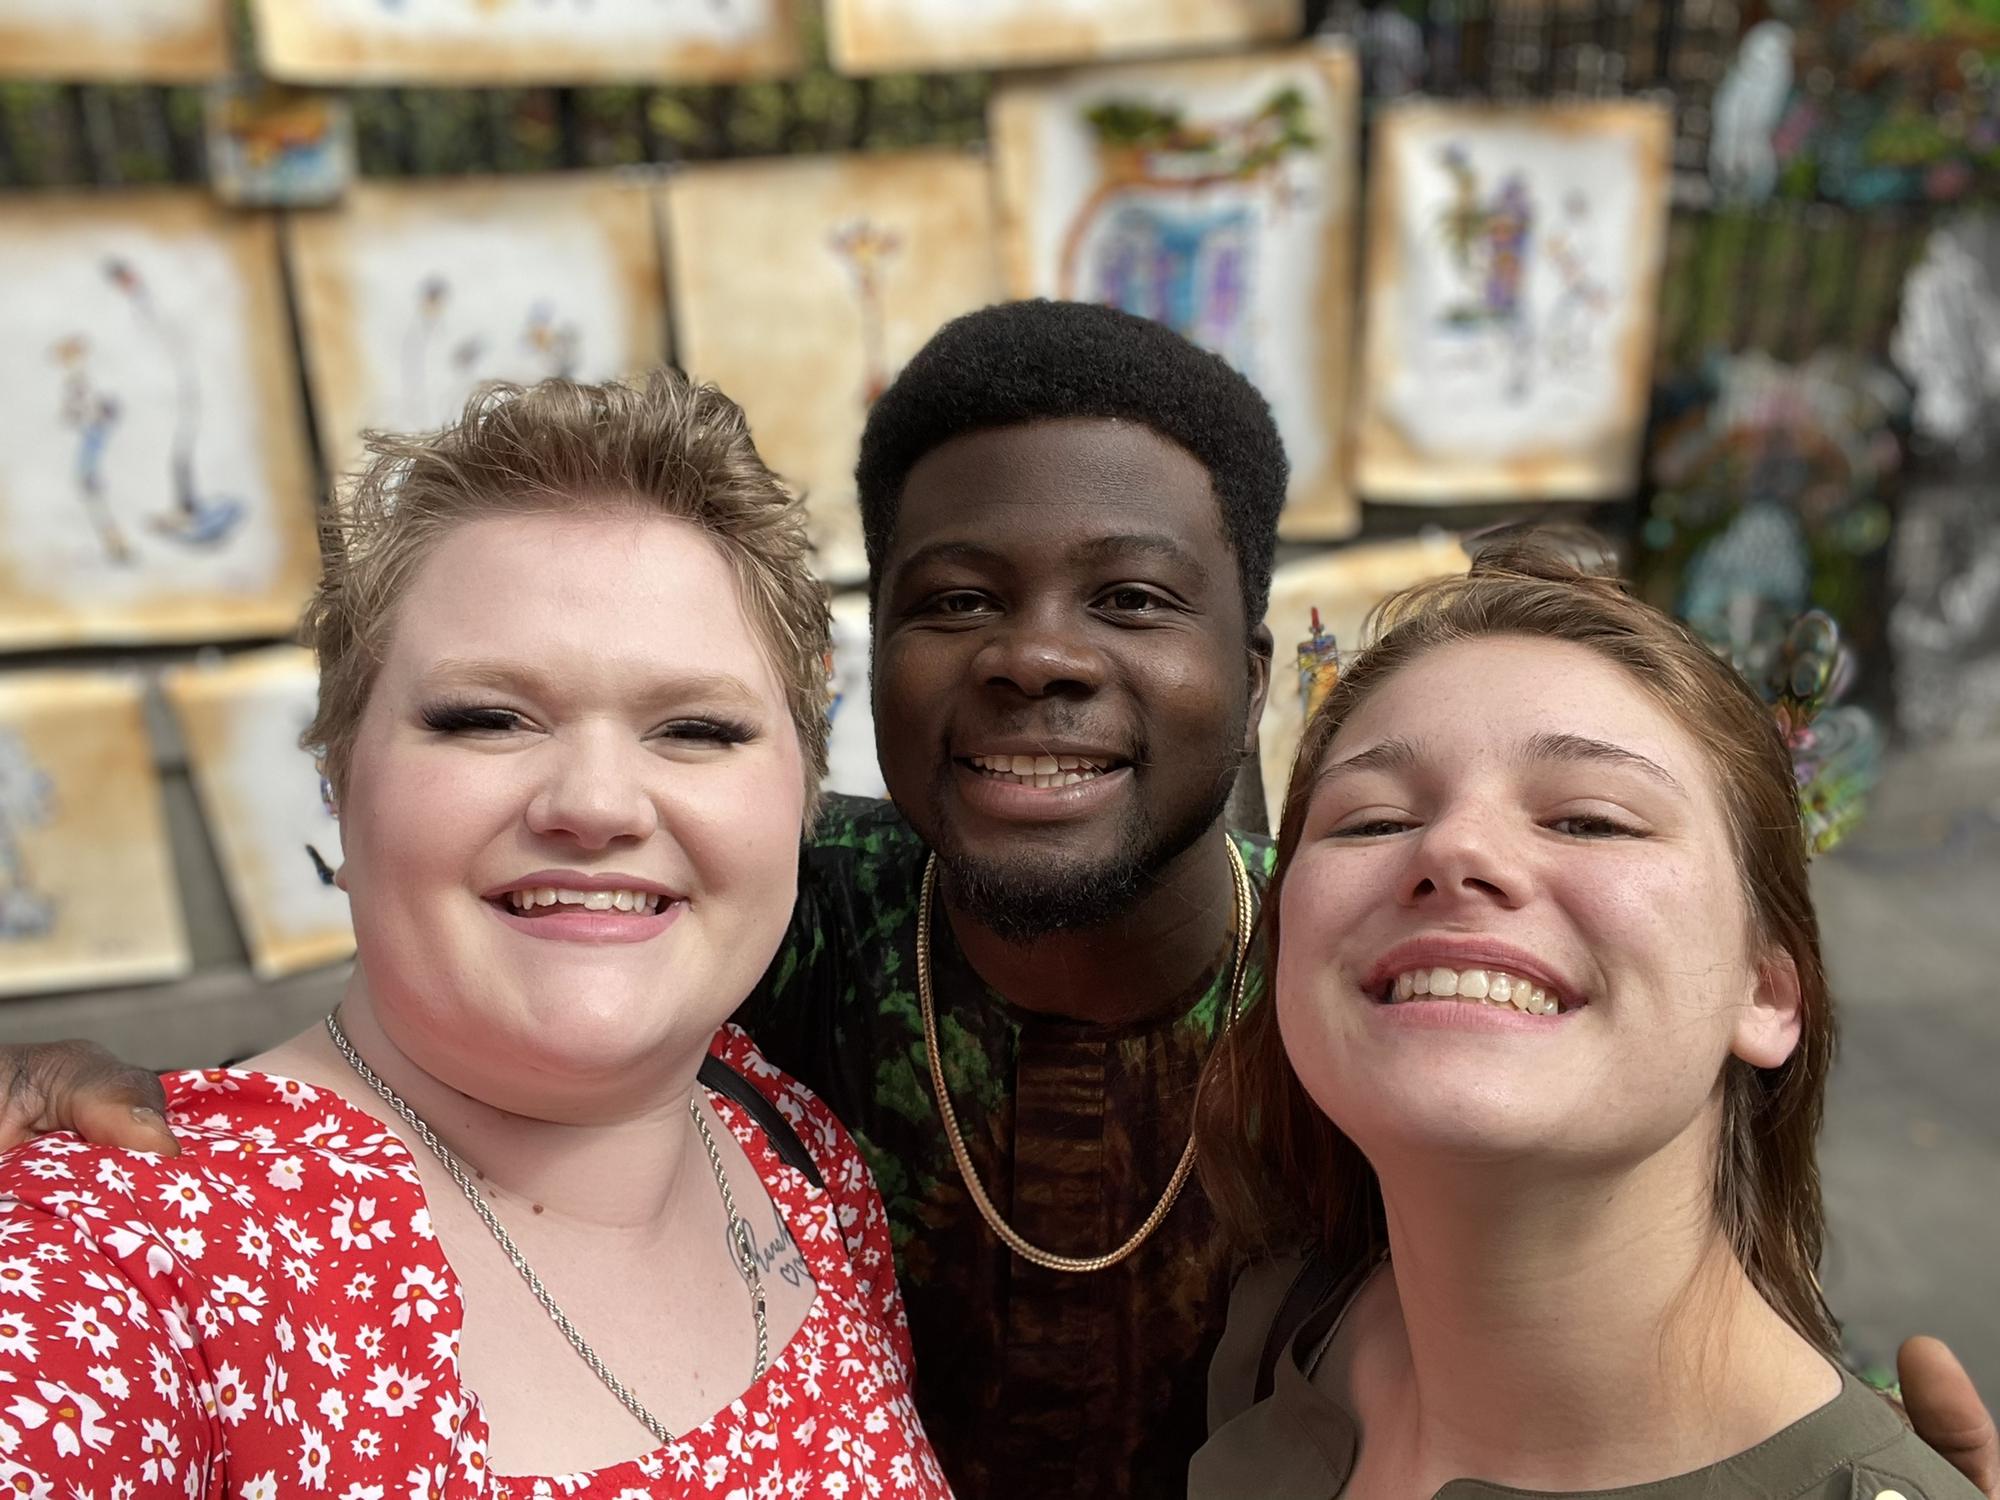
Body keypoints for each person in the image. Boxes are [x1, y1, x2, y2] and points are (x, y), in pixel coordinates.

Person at [5, 304, 1996, 1500]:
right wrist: (114, 1120)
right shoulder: (790, 949)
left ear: (1249, 669)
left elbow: (1630, 1226)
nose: (1040, 656)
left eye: (1131, 598)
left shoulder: (1374, 988)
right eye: (957, 600)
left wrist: (1835, 1468)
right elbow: (482, 992)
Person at [0, 375, 948, 1498]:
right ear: (338, 776)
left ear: (802, 793)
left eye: (696, 729)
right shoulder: (116, 1259)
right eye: (486, 718)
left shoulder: (796, 1153)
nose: (596, 804)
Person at [1190, 536, 1984, 1499]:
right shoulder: (1275, 1330)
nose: (1454, 848)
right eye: (1375, 821)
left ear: (1768, 992)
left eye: (1590, 819)